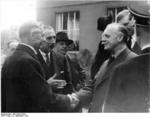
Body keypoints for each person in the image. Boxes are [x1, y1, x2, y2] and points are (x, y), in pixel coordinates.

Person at [1, 21, 77, 112]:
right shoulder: (28, 61)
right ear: (33, 35)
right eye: (41, 35)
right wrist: (69, 99)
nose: (42, 39)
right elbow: (44, 98)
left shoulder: (10, 59)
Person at [70, 23, 138, 112]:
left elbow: (135, 101)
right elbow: (92, 88)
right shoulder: (106, 63)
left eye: (107, 36)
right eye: (103, 36)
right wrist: (72, 98)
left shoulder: (134, 62)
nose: (102, 40)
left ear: (120, 37)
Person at [36, 28, 74, 94]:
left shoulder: (61, 58)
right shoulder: (33, 58)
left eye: (54, 38)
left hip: (59, 100)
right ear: (40, 40)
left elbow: (69, 83)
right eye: (49, 38)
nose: (53, 41)